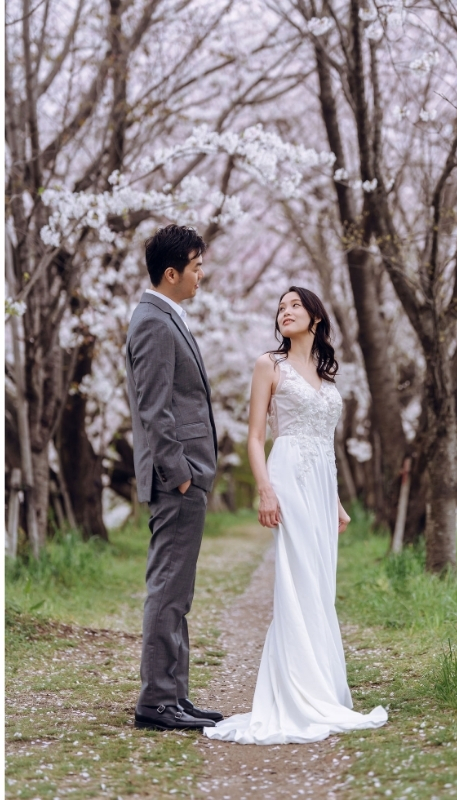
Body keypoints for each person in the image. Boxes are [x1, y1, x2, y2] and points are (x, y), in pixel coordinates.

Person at [204, 287, 387, 744]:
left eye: (294, 306)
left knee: (320, 586)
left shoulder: (327, 378)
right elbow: (254, 436)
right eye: (281, 308)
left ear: (316, 318)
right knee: (296, 578)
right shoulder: (270, 364)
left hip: (322, 483)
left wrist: (337, 500)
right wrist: (265, 489)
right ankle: (293, 695)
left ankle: (321, 687)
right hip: (287, 475)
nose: (285, 312)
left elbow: (325, 444)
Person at [126, 224, 223, 731]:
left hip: (184, 478)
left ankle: (174, 696)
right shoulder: (154, 323)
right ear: (172, 273)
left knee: (178, 591)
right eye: (196, 266)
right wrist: (181, 475)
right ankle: (157, 701)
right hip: (176, 481)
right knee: (167, 588)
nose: (201, 274)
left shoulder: (166, 317)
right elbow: (154, 408)